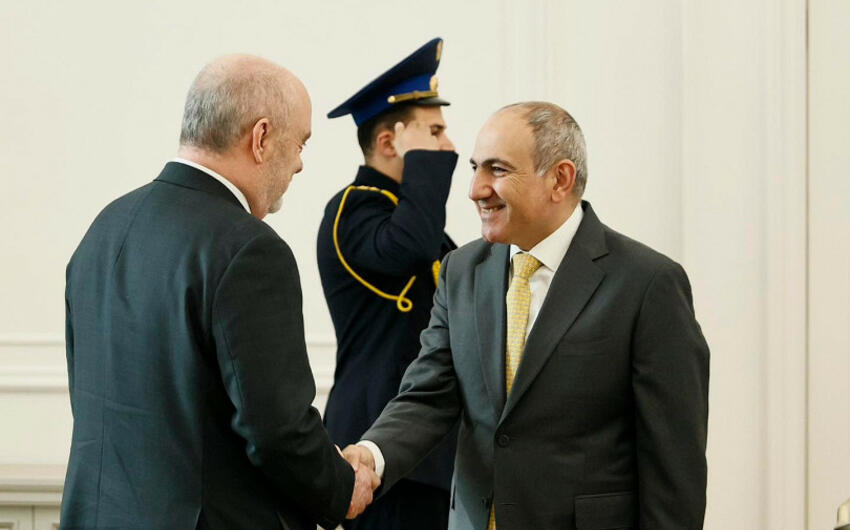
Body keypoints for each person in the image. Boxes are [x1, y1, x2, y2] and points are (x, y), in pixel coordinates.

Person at [344, 101, 710, 529]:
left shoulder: (648, 284)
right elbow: (428, 395)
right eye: (475, 168)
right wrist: (371, 455)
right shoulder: (461, 270)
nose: (475, 189)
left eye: (497, 170)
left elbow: (673, 464)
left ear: (560, 179)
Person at [60, 54, 378, 530]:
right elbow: (276, 430)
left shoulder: (106, 227)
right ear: (261, 137)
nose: (299, 164)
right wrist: (341, 486)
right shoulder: (249, 249)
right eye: (301, 143)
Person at [318, 37, 458, 530]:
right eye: (434, 133)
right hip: (376, 447)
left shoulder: (411, 216)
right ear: (388, 143)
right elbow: (409, 250)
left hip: (425, 454)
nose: (449, 147)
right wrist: (423, 164)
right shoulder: (354, 208)